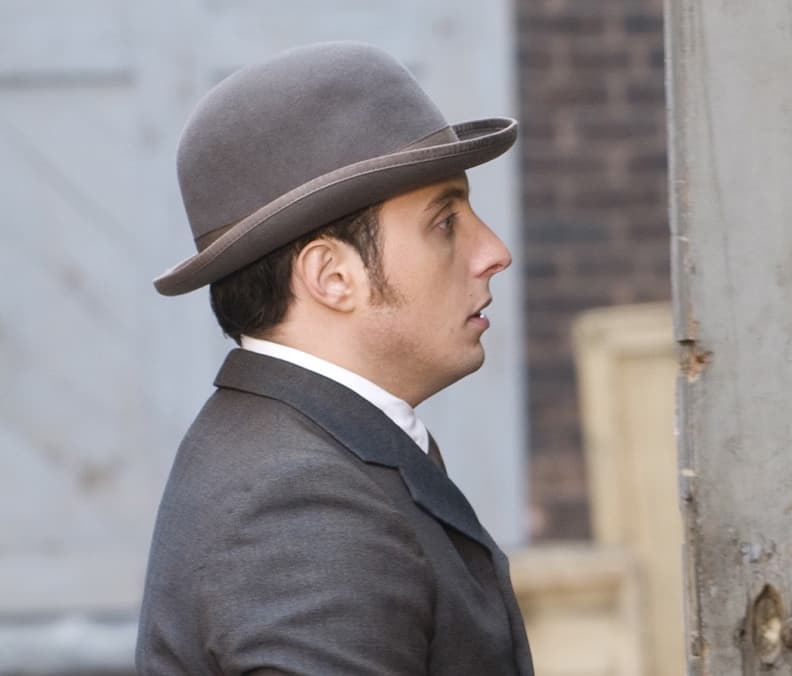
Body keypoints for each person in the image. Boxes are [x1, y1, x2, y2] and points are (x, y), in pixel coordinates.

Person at [136, 42, 532, 675]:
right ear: (331, 277)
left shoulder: (294, 451)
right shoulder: (302, 505)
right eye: (445, 222)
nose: (494, 251)